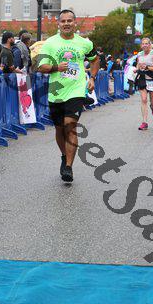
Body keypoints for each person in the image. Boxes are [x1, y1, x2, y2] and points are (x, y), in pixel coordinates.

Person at [38, 9, 99, 183]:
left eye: (69, 21)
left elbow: (95, 60)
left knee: (70, 125)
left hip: (76, 90)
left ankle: (68, 167)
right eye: (63, 21)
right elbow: (41, 67)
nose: (66, 24)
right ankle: (64, 156)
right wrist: (57, 67)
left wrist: (92, 78)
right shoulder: (50, 43)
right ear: (58, 23)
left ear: (75, 23)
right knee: (59, 129)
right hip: (56, 92)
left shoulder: (84, 43)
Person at [135, 37, 153, 130]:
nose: (144, 45)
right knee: (144, 99)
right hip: (142, 79)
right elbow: (138, 64)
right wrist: (136, 69)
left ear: (149, 45)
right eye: (143, 44)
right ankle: (144, 122)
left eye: (146, 43)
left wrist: (147, 67)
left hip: (152, 79)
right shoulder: (139, 54)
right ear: (141, 45)